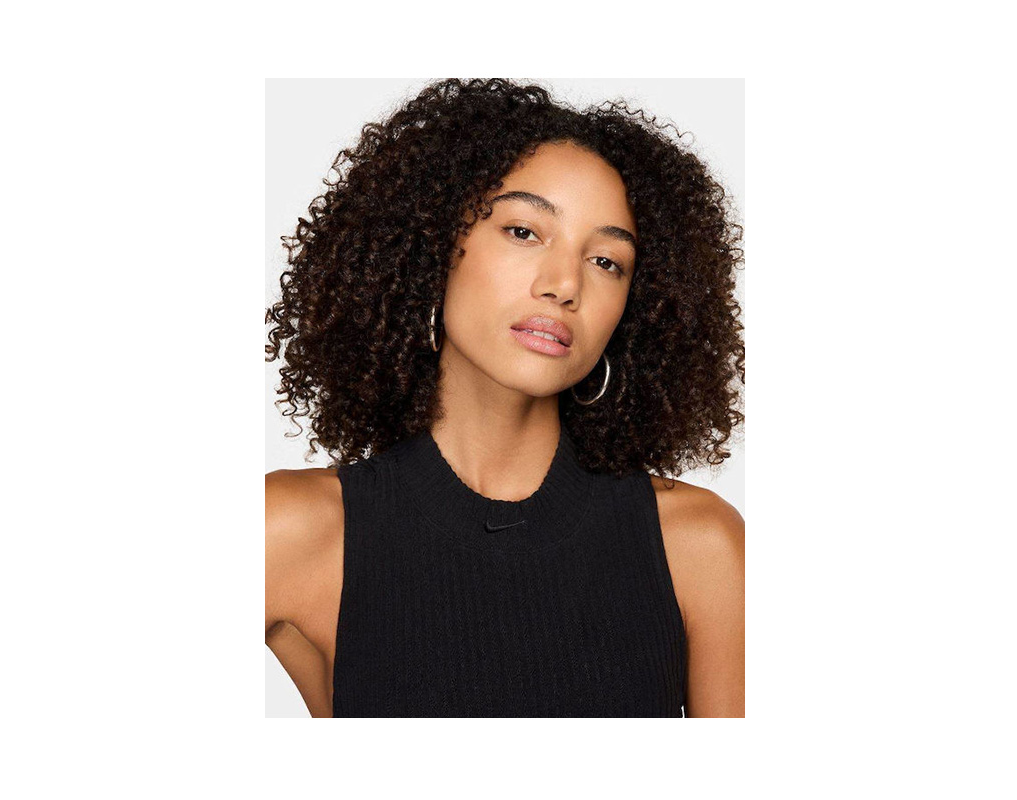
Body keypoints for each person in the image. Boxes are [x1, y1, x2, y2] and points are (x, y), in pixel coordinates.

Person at [265, 78, 744, 717]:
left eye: (607, 261)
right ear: (434, 246)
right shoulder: (292, 532)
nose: (565, 284)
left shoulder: (698, 545)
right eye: (523, 231)